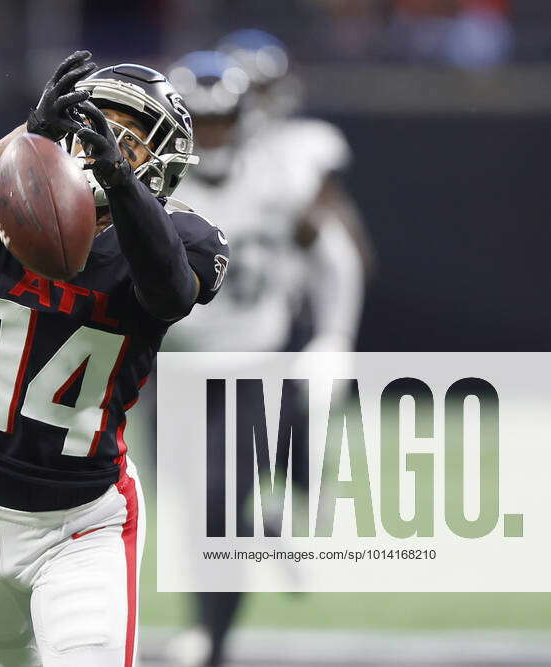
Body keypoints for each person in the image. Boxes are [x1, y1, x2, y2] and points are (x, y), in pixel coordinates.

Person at [0, 51, 228, 667]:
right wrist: (29, 139)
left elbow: (169, 291)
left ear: (162, 165)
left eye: (129, 140)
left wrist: (120, 183)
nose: (104, 144)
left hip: (82, 521)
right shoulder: (1, 191)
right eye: (93, 124)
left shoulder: (187, 236)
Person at [162, 34, 372, 667]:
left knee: (218, 503)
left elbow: (337, 253)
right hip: (165, 370)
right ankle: (264, 537)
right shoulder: (150, 179)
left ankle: (213, 642)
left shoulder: (284, 171)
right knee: (183, 504)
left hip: (252, 364)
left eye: (224, 120)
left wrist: (334, 337)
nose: (215, 136)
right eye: (200, 124)